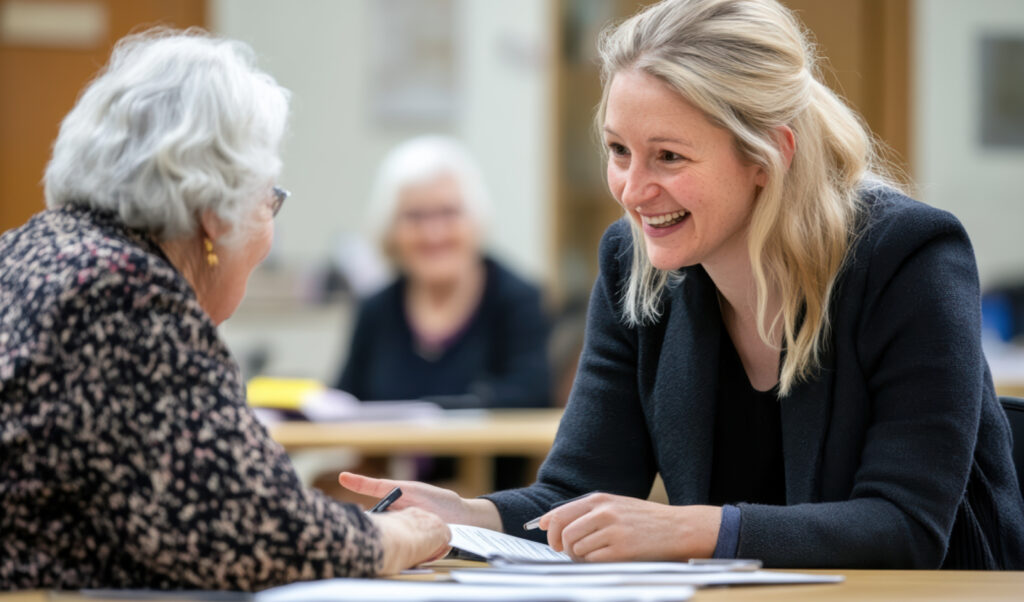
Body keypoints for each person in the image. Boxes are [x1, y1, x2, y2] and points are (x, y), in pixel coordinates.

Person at [340, 0, 1024, 570]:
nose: (633, 192)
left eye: (668, 156)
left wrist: (691, 529)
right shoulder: (630, 262)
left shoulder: (908, 257)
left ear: (768, 155)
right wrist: (469, 515)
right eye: (618, 151)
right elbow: (583, 489)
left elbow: (905, 528)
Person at [0, 29, 448, 591]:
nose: (269, 227)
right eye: (268, 199)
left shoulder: (22, 252)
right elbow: (254, 530)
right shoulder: (125, 292)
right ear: (213, 212)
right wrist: (406, 534)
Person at [336, 135, 551, 412]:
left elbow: (531, 397)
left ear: (475, 220)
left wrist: (427, 412)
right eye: (415, 216)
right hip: (390, 457)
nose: (433, 233)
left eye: (448, 213)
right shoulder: (376, 309)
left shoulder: (517, 299)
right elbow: (341, 403)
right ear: (391, 229)